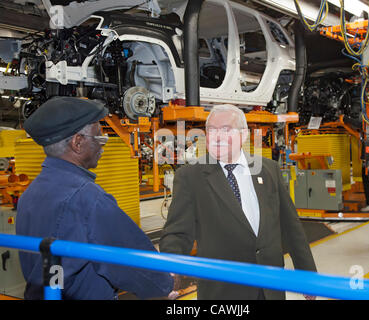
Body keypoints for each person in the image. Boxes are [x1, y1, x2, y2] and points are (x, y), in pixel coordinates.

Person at [16, 96, 173, 300]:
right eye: (100, 138)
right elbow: (136, 265)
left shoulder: (31, 193)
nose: (103, 146)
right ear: (78, 143)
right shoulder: (88, 198)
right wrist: (168, 282)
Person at [159, 104, 317, 300]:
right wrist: (170, 270)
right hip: (224, 292)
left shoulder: (268, 169)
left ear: (243, 135)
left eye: (226, 130)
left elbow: (291, 227)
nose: (217, 137)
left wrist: (308, 275)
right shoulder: (191, 176)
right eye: (211, 131)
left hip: (270, 287)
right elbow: (177, 233)